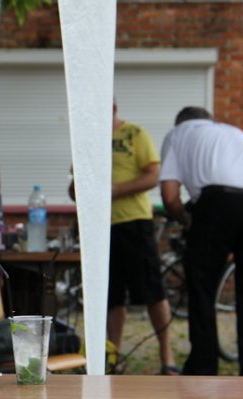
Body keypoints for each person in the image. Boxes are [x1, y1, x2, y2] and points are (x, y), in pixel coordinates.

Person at [159, 106, 243, 376]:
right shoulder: (233, 133)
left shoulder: (177, 134)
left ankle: (203, 367)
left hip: (217, 203)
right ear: (211, 121)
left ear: (181, 122)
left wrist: (188, 221)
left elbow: (170, 196)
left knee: (202, 286)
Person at [69, 101, 176, 375]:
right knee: (110, 294)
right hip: (100, 226)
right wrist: (82, 188)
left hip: (134, 221)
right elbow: (74, 187)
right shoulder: (87, 139)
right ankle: (112, 356)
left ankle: (167, 356)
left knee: (152, 289)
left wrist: (115, 189)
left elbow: (153, 175)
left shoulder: (135, 134)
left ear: (113, 107)